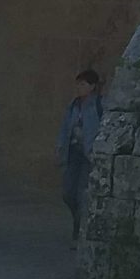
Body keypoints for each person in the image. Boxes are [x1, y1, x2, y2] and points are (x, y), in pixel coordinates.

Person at [57, 68, 103, 245]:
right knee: (68, 193)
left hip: (88, 154)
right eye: (78, 84)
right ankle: (79, 220)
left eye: (83, 84)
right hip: (73, 152)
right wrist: (60, 146)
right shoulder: (73, 105)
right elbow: (64, 127)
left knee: (82, 194)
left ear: (92, 87)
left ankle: (80, 230)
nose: (79, 87)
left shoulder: (99, 105)